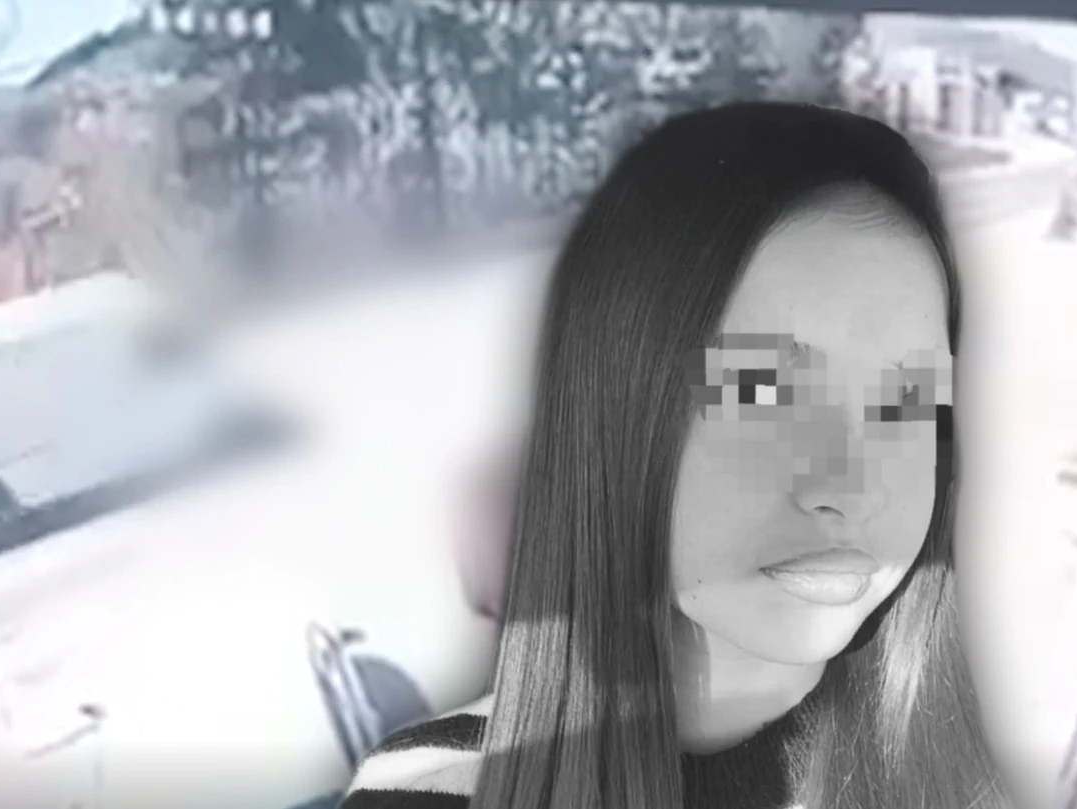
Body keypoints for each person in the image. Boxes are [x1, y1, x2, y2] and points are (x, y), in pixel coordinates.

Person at [339, 102, 1009, 808]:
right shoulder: (431, 794)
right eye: (760, 389)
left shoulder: (972, 783)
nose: (851, 485)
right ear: (616, 403)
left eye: (908, 399)